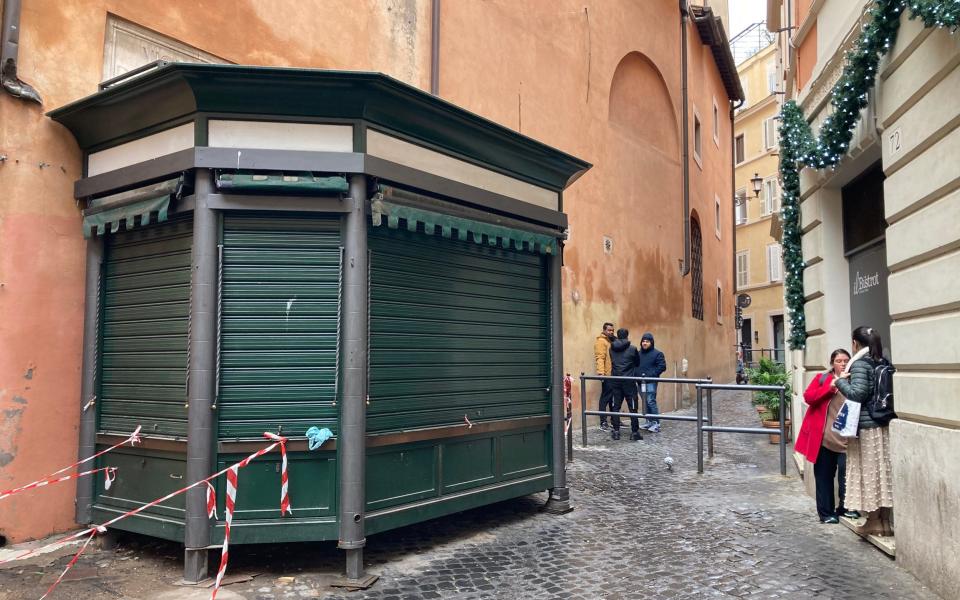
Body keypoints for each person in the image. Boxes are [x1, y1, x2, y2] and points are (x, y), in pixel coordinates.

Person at [834, 326, 894, 534]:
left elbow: (858, 394)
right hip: (882, 425)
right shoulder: (882, 360)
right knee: (881, 474)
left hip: (867, 428)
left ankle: (873, 521)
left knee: (869, 473)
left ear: (855, 343)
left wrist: (840, 381)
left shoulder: (860, 364)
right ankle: (884, 523)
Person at [797, 349, 852, 523]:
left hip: (847, 439)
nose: (842, 364)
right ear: (832, 363)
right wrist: (830, 389)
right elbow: (809, 397)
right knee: (824, 477)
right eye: (838, 361)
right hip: (824, 439)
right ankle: (826, 513)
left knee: (848, 476)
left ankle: (845, 508)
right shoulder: (823, 379)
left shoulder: (854, 381)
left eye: (845, 360)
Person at [608, 328, 642, 441]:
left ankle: (616, 431)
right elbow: (637, 363)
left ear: (618, 335)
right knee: (633, 407)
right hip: (629, 381)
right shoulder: (633, 349)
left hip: (616, 380)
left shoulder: (611, 348)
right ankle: (634, 432)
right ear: (627, 336)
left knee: (616, 407)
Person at [635, 332, 667, 432]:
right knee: (645, 402)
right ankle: (649, 421)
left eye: (647, 341)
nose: (644, 343)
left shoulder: (657, 354)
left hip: (650, 382)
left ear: (651, 343)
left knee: (650, 401)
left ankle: (656, 423)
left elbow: (662, 367)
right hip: (640, 382)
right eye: (643, 341)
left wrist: (651, 375)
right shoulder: (638, 354)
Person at [594, 322, 615, 430]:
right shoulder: (601, 342)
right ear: (604, 330)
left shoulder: (610, 341)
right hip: (607, 375)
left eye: (612, 330)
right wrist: (601, 374)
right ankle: (603, 421)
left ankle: (614, 420)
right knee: (605, 398)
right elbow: (600, 358)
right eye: (609, 330)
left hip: (613, 374)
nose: (611, 332)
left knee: (614, 398)